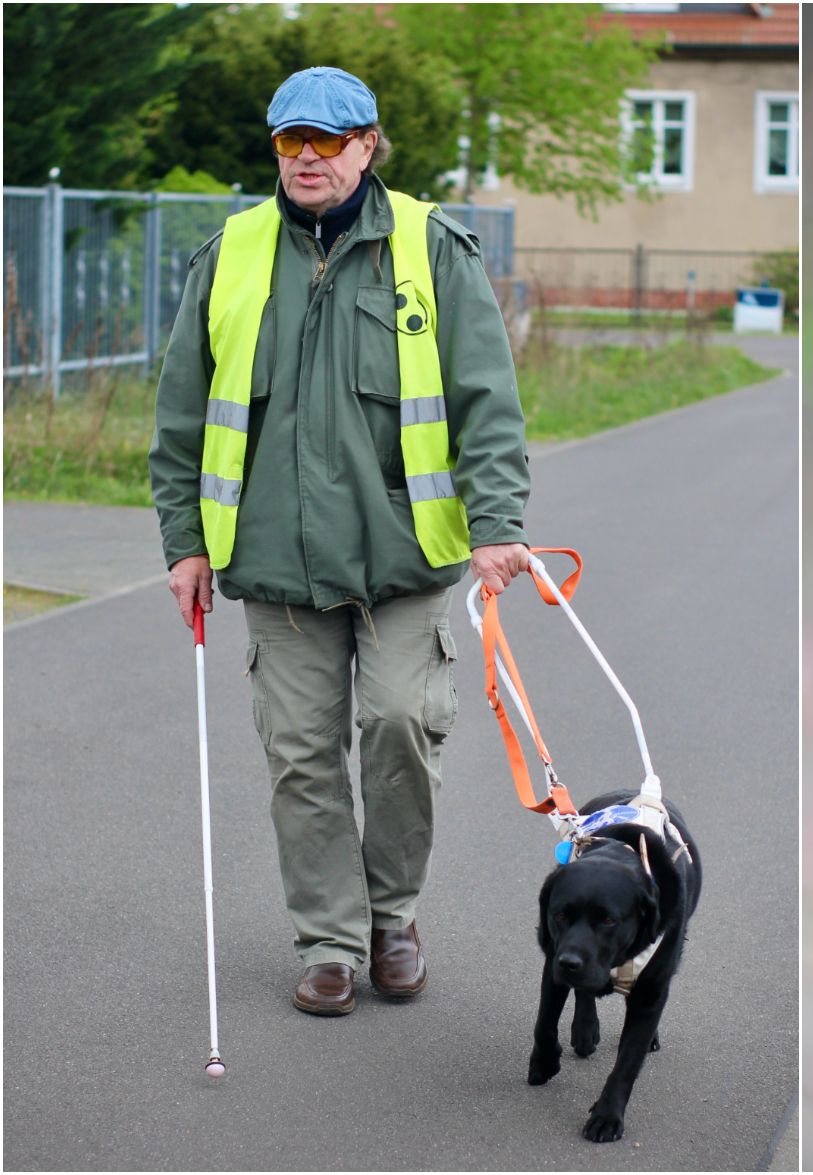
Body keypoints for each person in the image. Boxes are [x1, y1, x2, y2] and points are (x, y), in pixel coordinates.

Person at [149, 66, 532, 1016]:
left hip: (403, 557)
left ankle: (391, 917)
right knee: (301, 757)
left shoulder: (431, 248)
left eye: (328, 140)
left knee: (401, 721)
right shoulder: (229, 255)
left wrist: (498, 527)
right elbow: (182, 414)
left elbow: (487, 401)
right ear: (276, 148)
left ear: (369, 145)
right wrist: (183, 542)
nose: (308, 158)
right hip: (275, 564)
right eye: (291, 141)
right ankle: (329, 940)